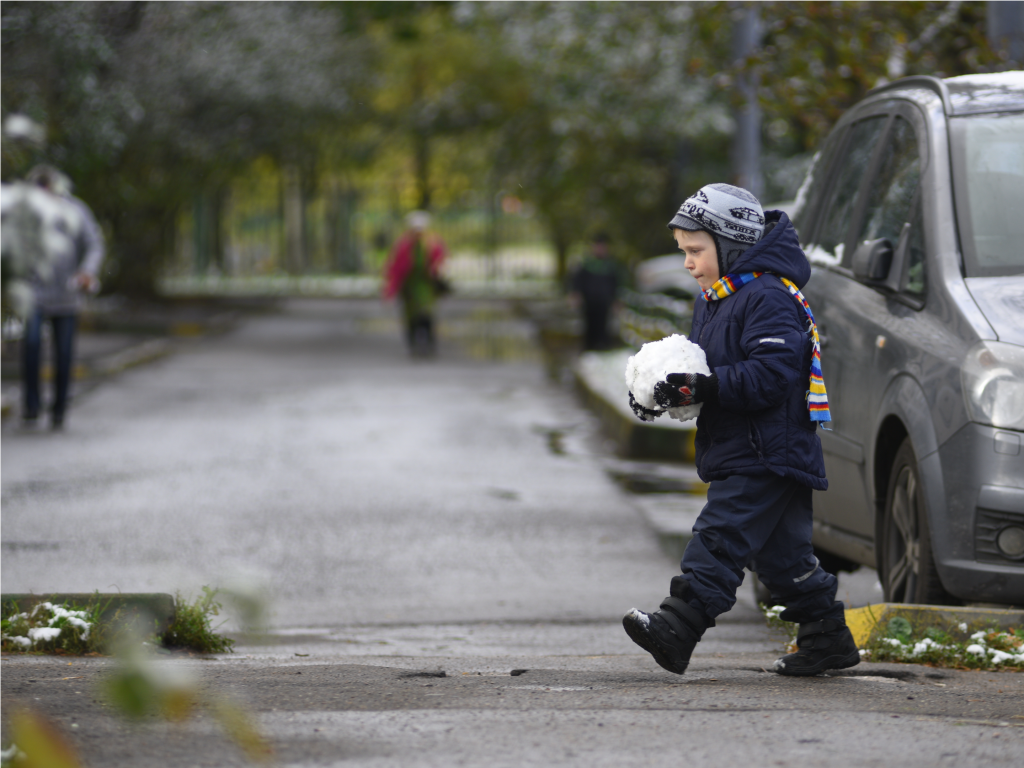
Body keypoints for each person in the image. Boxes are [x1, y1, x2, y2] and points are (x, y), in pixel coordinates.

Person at [623, 183, 858, 677]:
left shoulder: (768, 296)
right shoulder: (718, 297)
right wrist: (660, 392)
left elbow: (772, 376)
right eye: (683, 252)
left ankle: (678, 626)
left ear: (732, 245)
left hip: (766, 449)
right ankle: (827, 639)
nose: (688, 263)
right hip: (750, 445)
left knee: (720, 536)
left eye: (696, 251)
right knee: (783, 562)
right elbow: (704, 368)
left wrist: (703, 388)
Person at [21, 165, 104, 430]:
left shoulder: (76, 211)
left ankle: (59, 410)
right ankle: (31, 406)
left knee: (64, 353)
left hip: (67, 295)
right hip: (33, 292)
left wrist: (86, 271)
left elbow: (94, 244)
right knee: (32, 343)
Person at [382, 211, 447, 357]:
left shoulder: (432, 243)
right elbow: (395, 268)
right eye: (415, 229)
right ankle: (413, 344)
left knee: (426, 313)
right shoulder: (403, 245)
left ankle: (429, 343)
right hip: (409, 286)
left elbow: (441, 260)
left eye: (420, 229)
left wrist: (437, 270)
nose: (418, 233)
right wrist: (390, 289)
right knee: (411, 316)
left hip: (426, 285)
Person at [569, 232, 621, 351]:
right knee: (589, 326)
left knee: (604, 326)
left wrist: (617, 300)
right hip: (589, 301)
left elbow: (617, 284)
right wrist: (575, 295)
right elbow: (577, 282)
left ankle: (603, 348)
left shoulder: (611, 265)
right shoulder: (586, 264)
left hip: (604, 302)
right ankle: (589, 349)